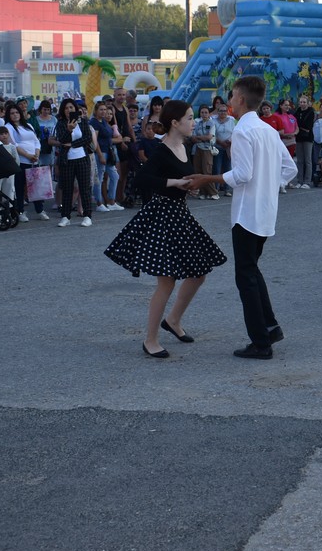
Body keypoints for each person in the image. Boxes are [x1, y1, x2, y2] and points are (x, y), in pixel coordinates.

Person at [185, 75, 297, 359]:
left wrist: (205, 178)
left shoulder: (245, 131)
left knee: (245, 275)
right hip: (265, 211)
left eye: (232, 96)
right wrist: (270, 187)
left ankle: (261, 342)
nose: (229, 101)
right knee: (252, 270)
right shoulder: (268, 131)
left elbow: (243, 175)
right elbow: (289, 169)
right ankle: (269, 328)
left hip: (247, 214)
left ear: (242, 100)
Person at [104, 100, 228, 359]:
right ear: (175, 122)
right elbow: (142, 179)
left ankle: (172, 320)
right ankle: (150, 339)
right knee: (167, 281)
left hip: (180, 214)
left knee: (199, 273)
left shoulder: (185, 146)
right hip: (162, 216)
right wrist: (175, 182)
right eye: (190, 118)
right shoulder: (161, 149)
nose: (194, 122)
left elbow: (183, 178)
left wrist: (189, 185)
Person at [54, 98, 95, 227]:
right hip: (67, 160)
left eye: (71, 108)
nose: (68, 110)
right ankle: (65, 216)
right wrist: (69, 129)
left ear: (75, 109)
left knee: (84, 188)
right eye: (66, 108)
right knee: (67, 188)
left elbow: (88, 138)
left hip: (82, 158)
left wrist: (72, 144)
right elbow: (61, 140)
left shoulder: (82, 121)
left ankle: (87, 215)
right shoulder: (61, 123)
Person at [190, 105, 219, 199]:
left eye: (206, 112)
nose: (204, 114)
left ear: (209, 113)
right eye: (202, 112)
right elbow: (193, 137)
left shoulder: (212, 123)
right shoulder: (197, 123)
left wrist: (200, 138)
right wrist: (201, 138)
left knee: (207, 171)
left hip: (207, 149)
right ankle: (203, 192)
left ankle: (213, 192)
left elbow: (209, 137)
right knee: (199, 171)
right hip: (197, 149)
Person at [294, 95, 315, 189]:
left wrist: (299, 126)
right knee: (300, 160)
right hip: (298, 138)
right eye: (301, 102)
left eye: (304, 102)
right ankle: (300, 180)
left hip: (307, 138)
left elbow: (308, 126)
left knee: (307, 160)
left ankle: (307, 181)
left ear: (307, 103)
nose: (302, 104)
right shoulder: (297, 112)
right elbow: (294, 123)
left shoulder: (311, 112)